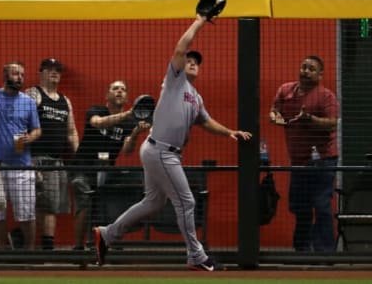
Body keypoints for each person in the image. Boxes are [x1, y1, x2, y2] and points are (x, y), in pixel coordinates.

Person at [93, 14, 252, 271]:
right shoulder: (175, 81)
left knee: (153, 202)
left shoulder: (195, 97)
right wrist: (200, 20)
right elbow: (181, 47)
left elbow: (206, 122)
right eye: (188, 60)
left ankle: (107, 233)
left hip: (162, 152)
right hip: (161, 150)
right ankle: (197, 257)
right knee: (186, 202)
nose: (191, 63)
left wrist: (229, 132)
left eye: (195, 62)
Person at [269, 55, 339, 252]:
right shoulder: (285, 90)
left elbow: (333, 122)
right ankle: (301, 252)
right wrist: (276, 118)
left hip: (324, 160)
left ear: (320, 74)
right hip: (298, 161)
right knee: (300, 207)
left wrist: (310, 119)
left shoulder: (326, 96)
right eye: (304, 67)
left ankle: (326, 253)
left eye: (311, 69)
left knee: (322, 205)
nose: (306, 71)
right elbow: (273, 110)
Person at [71, 80, 151, 250]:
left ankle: (103, 243)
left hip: (106, 172)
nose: (119, 91)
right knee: (84, 201)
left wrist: (136, 132)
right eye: (115, 88)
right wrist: (130, 113)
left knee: (108, 204)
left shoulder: (129, 123)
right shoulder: (96, 110)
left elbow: (127, 150)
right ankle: (78, 248)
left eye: (123, 89)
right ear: (107, 95)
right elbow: (98, 123)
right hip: (82, 167)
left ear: (127, 96)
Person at [0, 61, 41, 250]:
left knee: (26, 214)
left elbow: (37, 130)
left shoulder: (28, 102)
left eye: (22, 74)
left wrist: (30, 137)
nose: (20, 78)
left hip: (22, 165)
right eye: (15, 74)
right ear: (5, 76)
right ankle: (1, 251)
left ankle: (29, 251)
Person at [25, 58, 79, 250]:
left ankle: (45, 245)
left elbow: (71, 132)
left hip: (57, 161)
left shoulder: (65, 101)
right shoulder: (33, 94)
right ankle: (43, 247)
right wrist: (27, 161)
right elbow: (22, 124)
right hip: (37, 159)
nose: (54, 72)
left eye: (57, 70)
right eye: (49, 69)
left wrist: (79, 158)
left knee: (54, 206)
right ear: (41, 73)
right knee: (43, 204)